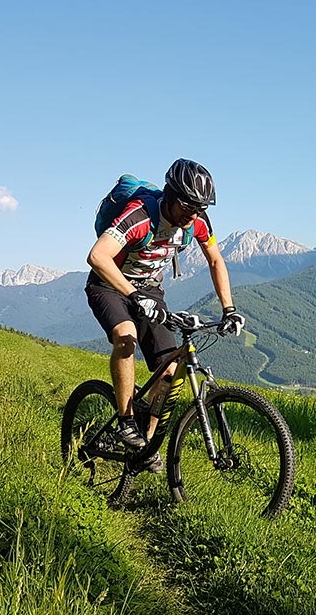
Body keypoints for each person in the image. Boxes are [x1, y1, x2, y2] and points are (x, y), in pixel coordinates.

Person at [85, 158, 245, 471]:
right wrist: (133, 296)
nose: (193, 214)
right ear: (170, 195)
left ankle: (145, 445)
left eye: (199, 208)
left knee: (169, 373)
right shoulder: (140, 216)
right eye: (187, 205)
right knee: (125, 338)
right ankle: (126, 422)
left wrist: (229, 309)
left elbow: (215, 261)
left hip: (149, 290)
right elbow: (97, 256)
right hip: (108, 285)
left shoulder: (197, 222)